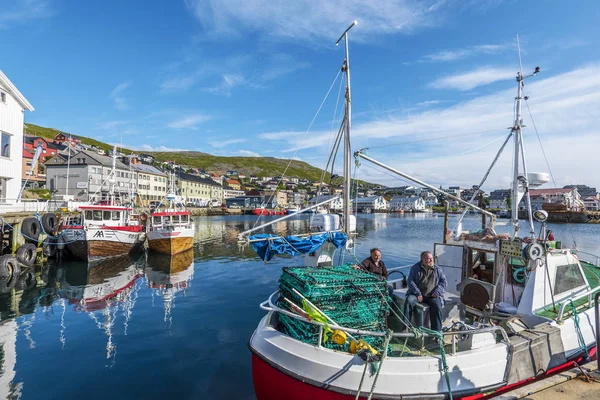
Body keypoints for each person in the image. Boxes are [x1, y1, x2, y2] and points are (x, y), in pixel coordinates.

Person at [404, 251, 447, 331]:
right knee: (409, 301)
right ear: (422, 259)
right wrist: (418, 293)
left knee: (437, 307)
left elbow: (443, 282)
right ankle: (406, 327)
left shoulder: (437, 269)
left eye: (431, 258)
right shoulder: (415, 268)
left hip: (432, 295)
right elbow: (410, 281)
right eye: (428, 258)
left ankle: (436, 332)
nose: (430, 260)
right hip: (417, 294)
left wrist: (437, 292)